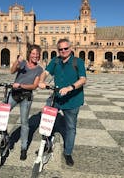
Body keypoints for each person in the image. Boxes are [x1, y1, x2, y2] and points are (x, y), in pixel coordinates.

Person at [39, 38, 87, 166]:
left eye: (66, 48)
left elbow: (83, 79)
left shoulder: (78, 62)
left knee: (70, 127)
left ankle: (68, 153)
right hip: (57, 98)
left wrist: (70, 87)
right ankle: (47, 143)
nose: (63, 51)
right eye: (60, 49)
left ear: (70, 49)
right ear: (58, 50)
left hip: (73, 100)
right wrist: (41, 81)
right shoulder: (55, 61)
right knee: (46, 119)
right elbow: (46, 72)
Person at [9, 44, 43, 160]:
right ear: (29, 54)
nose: (35, 56)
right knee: (2, 113)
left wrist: (21, 85)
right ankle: (3, 137)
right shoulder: (23, 63)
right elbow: (12, 71)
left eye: (37, 54)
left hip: (26, 96)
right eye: (33, 54)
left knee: (24, 122)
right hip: (14, 94)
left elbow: (34, 86)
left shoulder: (39, 69)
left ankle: (23, 148)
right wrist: (17, 62)